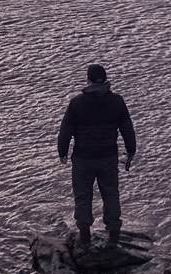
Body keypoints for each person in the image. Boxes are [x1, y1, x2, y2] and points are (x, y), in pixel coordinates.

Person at [56, 64, 137, 249]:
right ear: (105, 80)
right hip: (108, 157)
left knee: (83, 196)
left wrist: (62, 152)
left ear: (88, 80)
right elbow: (127, 128)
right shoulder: (117, 101)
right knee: (111, 194)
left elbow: (66, 129)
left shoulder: (77, 103)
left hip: (83, 158)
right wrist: (131, 150)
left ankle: (85, 238)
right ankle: (113, 238)